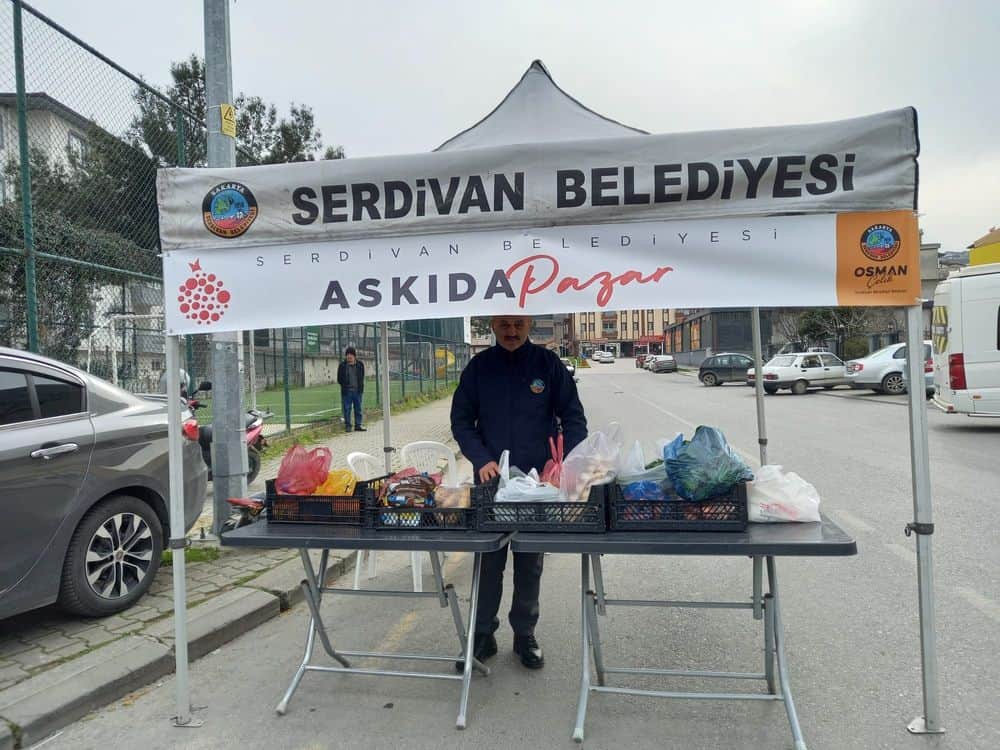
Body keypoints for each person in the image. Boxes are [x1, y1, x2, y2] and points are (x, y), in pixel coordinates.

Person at [451, 315, 587, 670]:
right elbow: (461, 421)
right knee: (488, 562)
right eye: (504, 325)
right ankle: (483, 635)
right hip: (491, 482)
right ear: (493, 326)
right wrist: (481, 458)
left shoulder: (548, 365)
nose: (511, 331)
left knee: (529, 563)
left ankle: (525, 635)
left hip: (537, 485)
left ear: (528, 325)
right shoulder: (479, 368)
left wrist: (563, 465)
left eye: (518, 324)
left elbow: (574, 418)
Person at [336, 347, 366, 432]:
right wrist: (345, 385)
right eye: (347, 355)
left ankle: (358, 425)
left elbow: (362, 376)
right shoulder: (342, 366)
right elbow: (339, 379)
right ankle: (348, 426)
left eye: (351, 355)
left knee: (358, 408)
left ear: (354, 356)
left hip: (357, 391)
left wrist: (360, 386)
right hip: (347, 391)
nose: (349, 356)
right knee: (347, 409)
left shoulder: (360, 364)